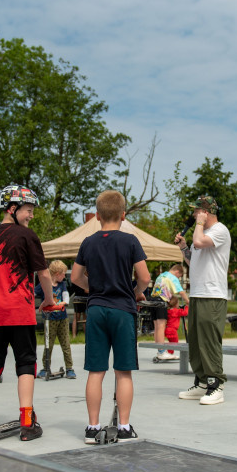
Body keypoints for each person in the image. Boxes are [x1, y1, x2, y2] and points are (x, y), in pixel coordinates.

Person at [0, 184, 55, 442]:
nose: (31, 215)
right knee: (25, 364)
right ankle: (27, 420)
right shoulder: (27, 236)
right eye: (28, 210)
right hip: (20, 312)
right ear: (12, 208)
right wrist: (49, 300)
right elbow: (43, 274)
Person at [71, 190, 149, 443]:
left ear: (97, 216)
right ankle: (124, 427)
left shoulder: (88, 242)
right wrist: (135, 292)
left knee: (96, 371)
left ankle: (92, 427)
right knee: (123, 372)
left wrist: (93, 287)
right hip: (122, 310)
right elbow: (145, 277)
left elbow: (75, 278)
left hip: (96, 309)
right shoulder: (130, 241)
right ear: (123, 215)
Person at [173, 196, 231, 405]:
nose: (194, 215)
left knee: (209, 341)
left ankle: (217, 385)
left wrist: (198, 225)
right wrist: (183, 247)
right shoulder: (203, 232)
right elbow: (194, 260)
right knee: (196, 341)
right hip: (198, 293)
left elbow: (199, 242)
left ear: (207, 212)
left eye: (197, 211)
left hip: (212, 295)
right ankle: (202, 383)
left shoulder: (220, 230)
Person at [35, 260, 76, 379]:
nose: (64, 276)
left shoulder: (62, 285)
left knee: (65, 343)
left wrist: (64, 302)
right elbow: (33, 293)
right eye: (63, 274)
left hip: (62, 318)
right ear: (57, 274)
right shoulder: (44, 284)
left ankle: (69, 368)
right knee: (49, 344)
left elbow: (65, 295)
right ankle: (45, 367)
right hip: (49, 319)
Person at [150, 264, 189, 360]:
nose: (178, 279)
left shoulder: (162, 275)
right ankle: (162, 352)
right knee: (161, 326)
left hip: (153, 300)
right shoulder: (172, 277)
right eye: (179, 277)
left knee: (157, 327)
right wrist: (189, 302)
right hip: (161, 301)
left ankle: (160, 351)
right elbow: (181, 292)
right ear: (177, 272)